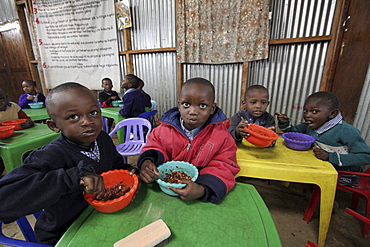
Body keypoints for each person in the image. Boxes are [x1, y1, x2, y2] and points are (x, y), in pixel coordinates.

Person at [0, 82, 137, 245]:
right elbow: (4, 202)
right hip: (65, 232)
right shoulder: (50, 155)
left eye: (93, 113)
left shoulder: (102, 139)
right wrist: (71, 178)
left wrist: (131, 172)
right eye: (73, 117)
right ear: (54, 126)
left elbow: (115, 165)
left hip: (100, 216)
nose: (87, 121)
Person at [138, 77, 240, 204]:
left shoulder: (222, 137)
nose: (193, 112)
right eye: (186, 104)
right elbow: (154, 146)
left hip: (197, 195)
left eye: (202, 106)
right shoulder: (163, 130)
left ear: (212, 108)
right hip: (163, 194)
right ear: (179, 105)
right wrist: (147, 161)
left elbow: (224, 166)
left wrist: (203, 189)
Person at [276, 91, 370, 176]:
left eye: (314, 111)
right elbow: (292, 133)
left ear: (332, 114)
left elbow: (366, 157)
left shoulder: (346, 131)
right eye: (305, 110)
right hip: (322, 167)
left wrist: (331, 157)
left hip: (344, 175)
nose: (307, 115)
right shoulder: (311, 125)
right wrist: (284, 123)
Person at [0, 88, 35, 175]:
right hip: (2, 141)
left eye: (1, 99)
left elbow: (26, 119)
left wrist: (29, 123)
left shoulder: (14, 107)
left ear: (6, 98)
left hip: (19, 137)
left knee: (29, 151)